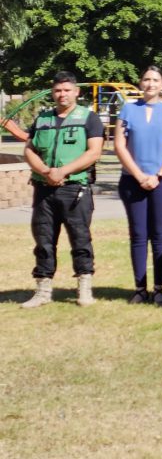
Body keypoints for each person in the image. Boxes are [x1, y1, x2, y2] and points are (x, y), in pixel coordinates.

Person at [21, 71, 105, 308]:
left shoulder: (89, 118)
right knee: (44, 240)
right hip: (44, 189)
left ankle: (84, 288)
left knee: (80, 239)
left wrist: (63, 171)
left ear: (76, 92)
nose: (62, 95)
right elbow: (29, 150)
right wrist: (46, 172)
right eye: (58, 90)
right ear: (52, 93)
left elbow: (94, 152)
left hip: (75, 189)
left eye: (67, 90)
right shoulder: (42, 119)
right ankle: (43, 290)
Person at [114, 66, 162, 305]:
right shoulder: (128, 110)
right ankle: (140, 288)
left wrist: (159, 175)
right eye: (146, 79)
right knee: (138, 234)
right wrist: (139, 175)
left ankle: (159, 288)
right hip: (132, 181)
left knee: (160, 234)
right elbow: (120, 145)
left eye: (155, 80)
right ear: (140, 83)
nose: (150, 84)